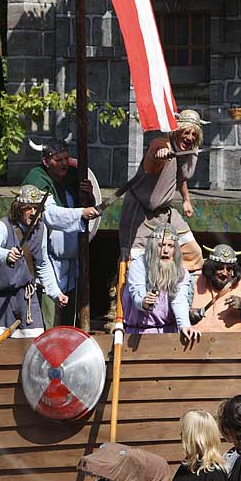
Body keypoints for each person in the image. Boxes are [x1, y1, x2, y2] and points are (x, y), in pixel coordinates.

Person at [21, 139, 101, 328]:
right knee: (48, 318)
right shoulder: (37, 178)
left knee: (71, 318)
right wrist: (81, 213)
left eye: (66, 158)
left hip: (73, 262)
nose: (64, 163)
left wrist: (88, 195)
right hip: (48, 260)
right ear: (47, 161)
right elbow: (49, 215)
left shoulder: (73, 176)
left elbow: (88, 205)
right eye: (58, 160)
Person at [118, 110, 206, 270]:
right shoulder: (162, 143)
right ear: (177, 130)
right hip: (141, 213)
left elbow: (181, 178)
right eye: (186, 132)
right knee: (135, 263)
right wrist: (160, 154)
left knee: (194, 254)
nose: (190, 137)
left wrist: (186, 200)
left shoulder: (182, 153)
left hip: (166, 213)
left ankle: (169, 279)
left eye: (194, 134)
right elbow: (153, 156)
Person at [0, 185, 65, 339]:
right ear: (19, 209)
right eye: (28, 208)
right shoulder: (3, 225)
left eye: (36, 208)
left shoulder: (41, 229)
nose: (33, 212)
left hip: (25, 300)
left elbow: (42, 264)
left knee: (33, 346)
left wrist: (55, 292)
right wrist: (6, 254)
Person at [123, 224, 197, 342]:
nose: (166, 250)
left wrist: (185, 325)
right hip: (138, 334)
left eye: (170, 246)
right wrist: (144, 302)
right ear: (153, 247)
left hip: (169, 333)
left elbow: (179, 299)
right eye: (161, 245)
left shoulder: (181, 272)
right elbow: (137, 293)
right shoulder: (139, 265)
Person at [188, 245, 241, 333]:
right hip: (193, 340)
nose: (225, 273)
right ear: (210, 268)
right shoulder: (194, 280)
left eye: (229, 269)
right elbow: (176, 307)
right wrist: (187, 312)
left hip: (230, 343)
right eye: (220, 268)